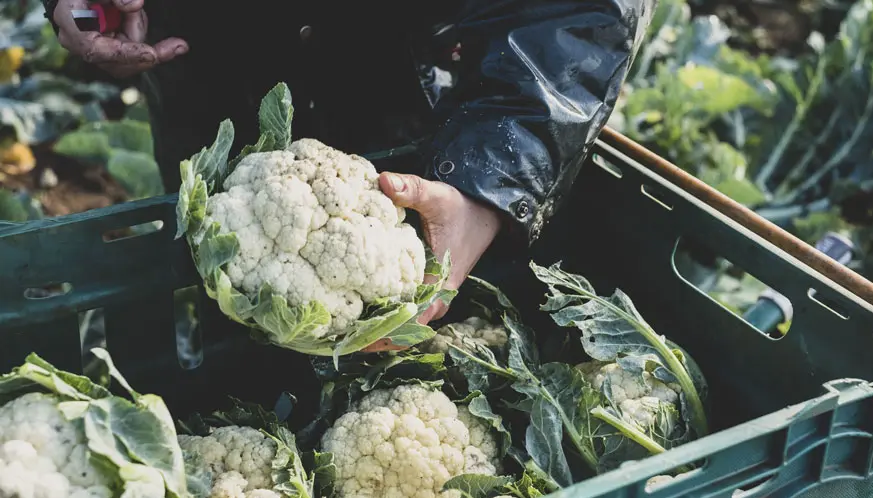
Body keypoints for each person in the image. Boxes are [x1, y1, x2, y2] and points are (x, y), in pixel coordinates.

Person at [42, 0, 655, 350]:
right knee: (242, 328)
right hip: (208, 72)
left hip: (439, 100)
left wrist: (489, 183)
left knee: (452, 336)